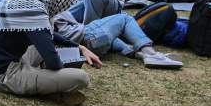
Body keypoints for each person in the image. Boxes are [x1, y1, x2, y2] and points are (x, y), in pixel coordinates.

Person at [0, 0, 99, 104]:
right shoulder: (35, 11)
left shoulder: (20, 0)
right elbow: (54, 63)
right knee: (81, 78)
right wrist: (60, 74)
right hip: (2, 75)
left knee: (43, 43)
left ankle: (38, 80)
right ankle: (44, 86)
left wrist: (79, 47)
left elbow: (48, 35)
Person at [54, 10, 182, 67]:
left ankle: (136, 53)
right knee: (124, 18)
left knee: (110, 34)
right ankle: (151, 53)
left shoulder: (38, 13)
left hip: (85, 50)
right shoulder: (55, 4)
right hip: (88, 38)